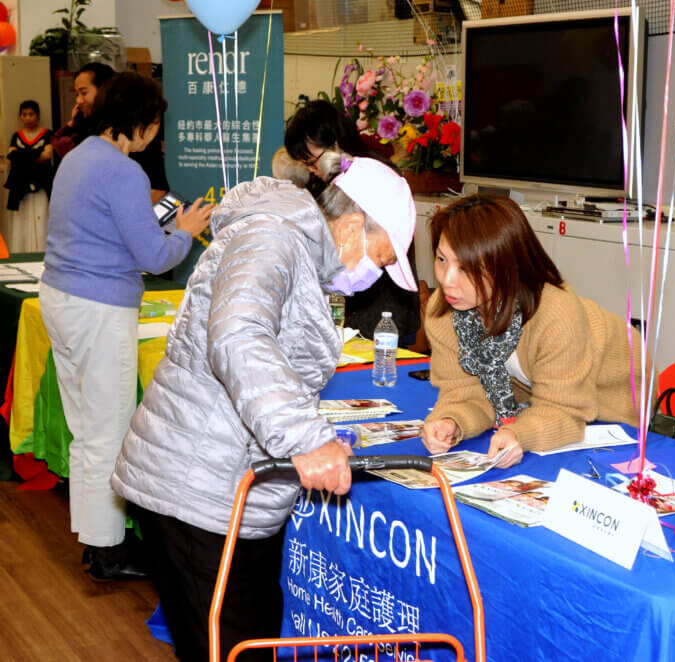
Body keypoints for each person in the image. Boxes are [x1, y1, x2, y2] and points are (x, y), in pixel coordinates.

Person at [111, 152, 417, 661]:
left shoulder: (295, 248)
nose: (375, 276)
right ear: (354, 224)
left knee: (248, 642)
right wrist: (308, 438)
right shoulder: (273, 236)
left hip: (232, 493)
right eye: (382, 259)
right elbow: (237, 333)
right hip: (198, 489)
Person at [39, 72, 213, 582]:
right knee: (109, 430)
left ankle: (97, 543)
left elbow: (104, 231)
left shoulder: (77, 155)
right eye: (155, 124)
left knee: (86, 429)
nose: (155, 134)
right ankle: (109, 553)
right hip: (99, 308)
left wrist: (163, 229)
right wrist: (185, 231)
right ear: (141, 122)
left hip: (61, 298)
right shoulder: (124, 172)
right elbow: (156, 258)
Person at [421, 195, 645, 467]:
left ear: (504, 265)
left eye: (466, 268)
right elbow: (466, 392)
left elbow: (565, 411)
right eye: (442, 259)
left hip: (614, 399)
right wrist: (451, 421)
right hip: (537, 398)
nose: (446, 280)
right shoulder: (444, 311)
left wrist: (519, 432)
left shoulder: (555, 311)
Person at [284, 99, 421, 342]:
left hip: (381, 315)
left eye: (313, 161)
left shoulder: (377, 179)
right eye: (305, 164)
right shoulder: (328, 184)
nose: (312, 169)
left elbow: (380, 254)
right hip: (347, 316)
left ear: (335, 142)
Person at [51, 62, 169, 203]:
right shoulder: (126, 169)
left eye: (84, 92)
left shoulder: (80, 154)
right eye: (77, 94)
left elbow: (157, 186)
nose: (79, 100)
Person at [3, 100, 53, 252]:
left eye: (31, 114)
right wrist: (35, 154)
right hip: (20, 188)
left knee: (42, 218)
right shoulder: (16, 136)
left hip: (41, 185)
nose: (27, 118)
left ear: (37, 116)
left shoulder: (48, 134)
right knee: (22, 222)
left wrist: (21, 155)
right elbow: (10, 156)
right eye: (24, 114)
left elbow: (46, 156)